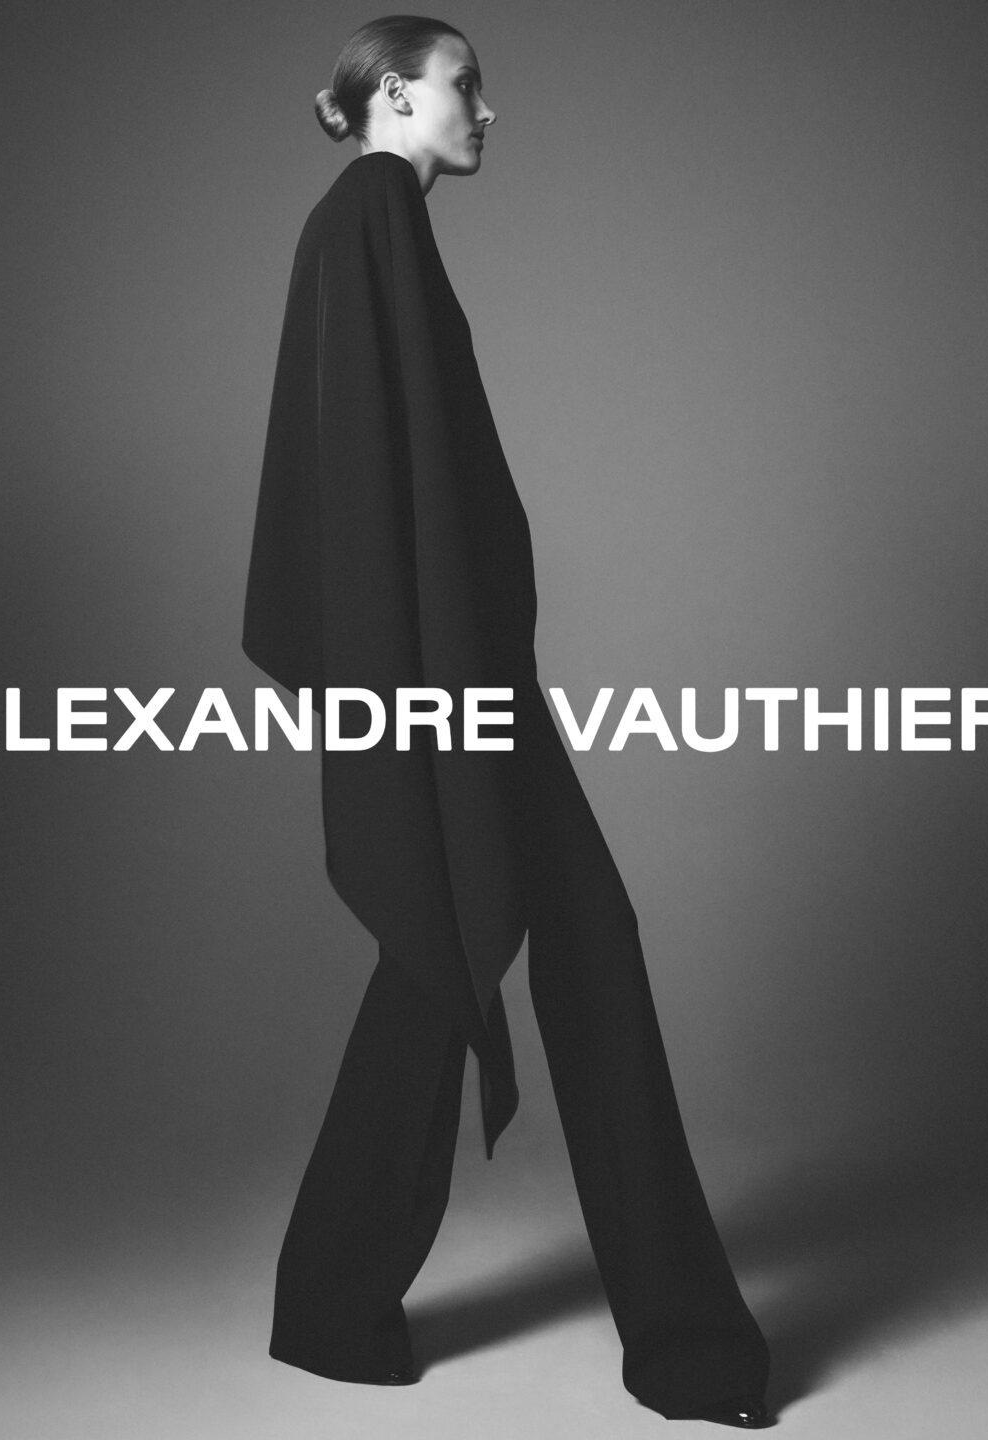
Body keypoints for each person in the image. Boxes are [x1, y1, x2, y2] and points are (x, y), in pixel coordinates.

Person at [242, 15, 772, 1429]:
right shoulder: (370, 215)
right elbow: (374, 484)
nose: (488, 107)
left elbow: (400, 476)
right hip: (452, 686)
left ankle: (332, 1304)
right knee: (553, 943)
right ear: (396, 93)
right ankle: (683, 1344)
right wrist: (432, 697)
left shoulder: (366, 225)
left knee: (455, 949)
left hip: (457, 678)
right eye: (465, 83)